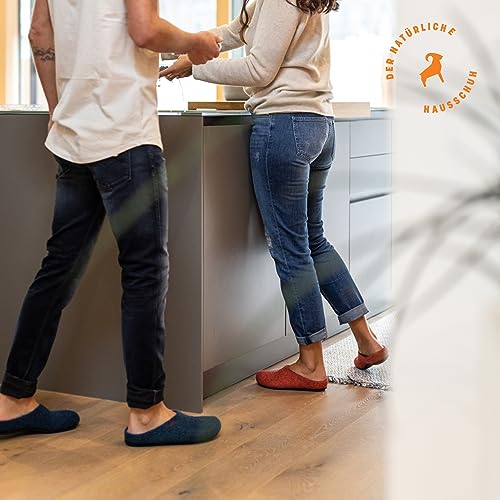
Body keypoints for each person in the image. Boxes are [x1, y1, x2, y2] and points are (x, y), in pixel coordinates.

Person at [0, 0, 223, 447]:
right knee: (144, 271)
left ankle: (13, 399)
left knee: (58, 268)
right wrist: (195, 42)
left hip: (74, 133)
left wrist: (59, 108)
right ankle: (147, 413)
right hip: (125, 132)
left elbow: (39, 32)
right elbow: (145, 30)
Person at [163, 0, 389, 392]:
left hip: (284, 125)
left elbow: (258, 70)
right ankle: (367, 342)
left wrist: (194, 68)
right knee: (313, 240)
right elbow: (235, 30)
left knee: (291, 248)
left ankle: (311, 364)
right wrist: (185, 46)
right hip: (318, 123)